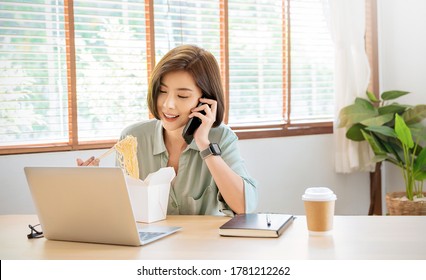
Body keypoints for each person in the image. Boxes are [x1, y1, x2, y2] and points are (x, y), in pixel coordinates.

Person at [77, 44, 257, 216]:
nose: (168, 104)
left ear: (205, 100)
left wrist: (204, 144)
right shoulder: (132, 138)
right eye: (162, 91)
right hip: (150, 245)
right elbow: (123, 208)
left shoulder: (221, 137)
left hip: (204, 245)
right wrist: (93, 185)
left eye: (182, 95)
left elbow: (244, 207)